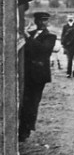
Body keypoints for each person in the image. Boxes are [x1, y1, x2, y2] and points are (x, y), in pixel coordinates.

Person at [19, 12, 58, 142]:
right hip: (26, 73)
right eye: (40, 20)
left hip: (38, 75)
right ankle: (22, 128)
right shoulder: (30, 33)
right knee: (24, 101)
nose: (42, 23)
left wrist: (27, 37)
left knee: (32, 102)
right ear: (36, 21)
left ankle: (26, 130)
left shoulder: (51, 36)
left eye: (45, 20)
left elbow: (42, 50)